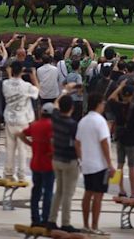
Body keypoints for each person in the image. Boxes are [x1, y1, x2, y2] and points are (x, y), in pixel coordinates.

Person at [76, 93, 115, 235]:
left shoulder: (83, 121)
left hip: (87, 164)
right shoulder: (100, 121)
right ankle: (95, 226)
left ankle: (86, 224)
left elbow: (77, 142)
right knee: (98, 196)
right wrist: (110, 164)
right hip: (100, 164)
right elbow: (104, 143)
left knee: (88, 194)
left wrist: (81, 159)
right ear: (99, 104)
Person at [107, 79, 134, 198]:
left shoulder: (118, 106)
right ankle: (133, 191)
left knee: (120, 165)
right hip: (132, 137)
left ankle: (121, 189)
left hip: (120, 137)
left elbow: (110, 99)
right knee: (132, 166)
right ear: (133, 95)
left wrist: (120, 87)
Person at [17, 103, 55, 228]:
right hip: (47, 164)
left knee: (36, 191)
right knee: (48, 192)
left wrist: (30, 144)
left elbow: (21, 134)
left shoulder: (35, 125)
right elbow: (52, 143)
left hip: (35, 162)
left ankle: (35, 218)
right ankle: (45, 219)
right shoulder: (51, 126)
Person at [47, 94, 80, 233]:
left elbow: (54, 104)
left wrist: (65, 91)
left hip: (56, 158)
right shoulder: (73, 124)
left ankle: (52, 220)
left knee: (59, 191)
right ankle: (65, 222)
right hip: (69, 160)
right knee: (68, 193)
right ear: (72, 108)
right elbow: (77, 144)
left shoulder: (55, 118)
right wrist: (81, 159)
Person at [2, 61, 39, 181]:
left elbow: (10, 82)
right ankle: (21, 174)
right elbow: (37, 92)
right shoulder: (26, 86)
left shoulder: (5, 83)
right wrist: (33, 76)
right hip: (22, 119)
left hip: (9, 118)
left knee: (10, 147)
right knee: (22, 148)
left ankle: (8, 173)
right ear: (22, 71)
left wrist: (10, 73)